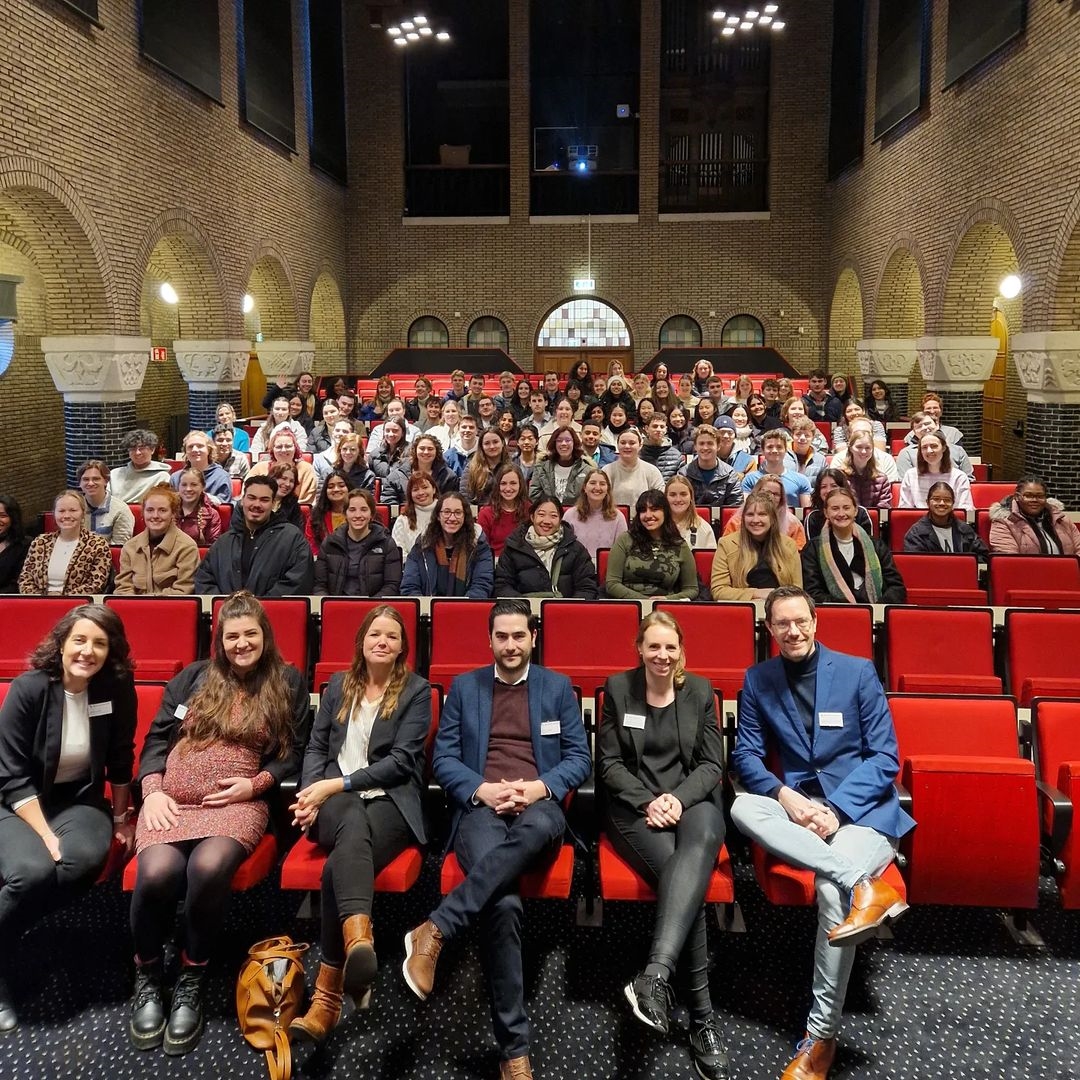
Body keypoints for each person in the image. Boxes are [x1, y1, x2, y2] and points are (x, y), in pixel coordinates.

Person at [402, 599, 591, 1080]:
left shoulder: (557, 687)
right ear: (490, 641)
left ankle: (438, 926)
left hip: (538, 807)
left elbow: (578, 759)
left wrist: (535, 788)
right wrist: (482, 789)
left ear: (532, 638)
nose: (510, 645)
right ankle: (514, 1050)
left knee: (542, 824)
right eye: (501, 637)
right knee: (503, 904)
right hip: (481, 806)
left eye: (519, 636)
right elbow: (443, 759)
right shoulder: (466, 688)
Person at [731, 586, 914, 1080]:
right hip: (798, 813)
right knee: (745, 806)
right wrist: (785, 797)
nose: (792, 632)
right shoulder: (758, 679)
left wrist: (834, 808)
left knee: (831, 895)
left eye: (800, 622)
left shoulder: (856, 672)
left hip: (862, 814)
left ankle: (821, 1036)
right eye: (781, 624)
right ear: (769, 630)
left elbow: (885, 757)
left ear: (816, 623)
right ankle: (863, 883)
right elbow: (745, 754)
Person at [127, 592, 307, 1054]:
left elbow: (295, 753)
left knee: (207, 869)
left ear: (264, 636)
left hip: (237, 803)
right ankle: (147, 973)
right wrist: (152, 792)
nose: (242, 643)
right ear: (219, 640)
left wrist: (256, 784)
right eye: (232, 636)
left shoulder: (286, 682)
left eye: (250, 634)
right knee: (157, 873)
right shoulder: (192, 678)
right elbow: (155, 741)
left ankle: (191, 972)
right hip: (170, 802)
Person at [288, 607, 432, 1041]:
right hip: (335, 802)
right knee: (349, 815)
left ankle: (327, 996)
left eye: (391, 635)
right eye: (375, 634)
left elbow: (401, 763)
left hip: (391, 802)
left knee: (338, 867)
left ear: (403, 646)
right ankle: (357, 942)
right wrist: (312, 792)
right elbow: (315, 746)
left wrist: (339, 783)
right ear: (362, 642)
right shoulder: (338, 685)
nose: (382, 641)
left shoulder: (417, 691)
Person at [599, 611, 730, 1079]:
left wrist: (677, 798)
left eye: (670, 647)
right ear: (639, 648)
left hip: (694, 804)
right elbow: (610, 765)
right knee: (685, 883)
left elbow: (712, 764)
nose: (662, 655)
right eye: (653, 647)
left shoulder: (699, 690)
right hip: (636, 810)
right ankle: (702, 1019)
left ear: (681, 650)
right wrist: (649, 801)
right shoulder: (618, 689)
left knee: (689, 861)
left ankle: (654, 975)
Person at [0, 604, 137, 1033]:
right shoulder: (29, 688)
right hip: (15, 801)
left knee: (80, 861)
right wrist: (45, 835)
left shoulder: (115, 688)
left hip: (78, 802)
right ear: (61, 643)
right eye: (79, 639)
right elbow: (11, 773)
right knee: (31, 872)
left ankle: (10, 934)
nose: (88, 651)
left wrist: (120, 819)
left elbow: (119, 759)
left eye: (100, 643)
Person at [194, 475, 314, 596]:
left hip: (271, 613)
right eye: (251, 498)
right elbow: (205, 579)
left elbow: (298, 582)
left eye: (264, 500)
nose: (257, 504)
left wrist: (257, 608)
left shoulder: (292, 539)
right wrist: (227, 607)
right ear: (242, 501)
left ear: (273, 504)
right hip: (226, 613)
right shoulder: (224, 542)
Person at [801, 488, 906, 605]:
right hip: (834, 615)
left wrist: (875, 609)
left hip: (875, 612)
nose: (841, 514)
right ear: (826, 513)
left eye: (846, 508)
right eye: (835, 509)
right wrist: (848, 609)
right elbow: (812, 592)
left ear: (855, 510)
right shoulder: (813, 549)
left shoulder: (876, 545)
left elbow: (896, 587)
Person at [493, 497, 598, 599]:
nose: (547, 521)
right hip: (522, 612)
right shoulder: (514, 547)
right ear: (532, 517)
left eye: (553, 516)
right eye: (541, 515)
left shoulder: (576, 549)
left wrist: (568, 609)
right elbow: (502, 586)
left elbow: (587, 588)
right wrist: (523, 607)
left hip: (565, 612)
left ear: (560, 519)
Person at [606, 490, 699, 601]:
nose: (648, 515)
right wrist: (645, 602)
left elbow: (691, 589)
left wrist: (667, 600)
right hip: (630, 606)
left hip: (665, 608)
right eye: (643, 510)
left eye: (654, 509)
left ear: (665, 512)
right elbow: (612, 584)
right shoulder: (625, 540)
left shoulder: (679, 545)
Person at [400, 493, 494, 599]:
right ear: (438, 516)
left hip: (466, 610)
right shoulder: (422, 545)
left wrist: (461, 608)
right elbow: (410, 586)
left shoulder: (478, 544)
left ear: (465, 516)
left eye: (458, 513)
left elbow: (482, 585)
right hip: (427, 612)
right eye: (447, 512)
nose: (452, 518)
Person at [711, 492, 802, 600]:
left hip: (780, 608)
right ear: (743, 518)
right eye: (750, 514)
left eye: (762, 514)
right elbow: (718, 590)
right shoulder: (726, 544)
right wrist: (756, 593)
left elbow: (797, 589)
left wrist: (776, 598)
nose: (755, 520)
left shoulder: (789, 545)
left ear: (772, 518)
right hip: (743, 609)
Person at [313, 488, 402, 597]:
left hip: (375, 608)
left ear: (371, 514)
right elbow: (320, 585)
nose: (358, 515)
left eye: (364, 510)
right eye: (352, 510)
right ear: (345, 514)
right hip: (336, 606)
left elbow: (391, 585)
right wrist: (329, 606)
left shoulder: (386, 544)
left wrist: (370, 606)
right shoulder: (330, 543)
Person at [19, 490, 112, 595]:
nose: (67, 515)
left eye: (73, 510)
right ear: (54, 514)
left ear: (83, 513)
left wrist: (63, 599)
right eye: (61, 511)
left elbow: (95, 584)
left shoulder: (97, 544)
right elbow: (25, 579)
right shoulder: (40, 542)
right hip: (38, 604)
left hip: (78, 606)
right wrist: (42, 601)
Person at [114, 487, 200, 595]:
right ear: (143, 513)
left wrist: (150, 604)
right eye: (150, 510)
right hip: (135, 609)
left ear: (173, 514)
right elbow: (123, 588)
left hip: (172, 609)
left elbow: (184, 590)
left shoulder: (187, 547)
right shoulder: (129, 547)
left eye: (162, 510)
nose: (155, 516)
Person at [988, 476, 1080, 555]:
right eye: (1028, 496)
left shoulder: (1061, 519)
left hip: (1068, 572)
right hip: (1027, 574)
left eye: (1040, 496)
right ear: (1017, 496)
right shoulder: (1003, 522)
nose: (1035, 500)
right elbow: (1010, 560)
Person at [723, 475, 808, 551]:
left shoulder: (794, 524)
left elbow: (798, 555)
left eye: (776, 494)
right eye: (766, 492)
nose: (770, 496)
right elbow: (727, 550)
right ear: (755, 493)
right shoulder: (736, 521)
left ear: (781, 499)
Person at [903, 481, 989, 556]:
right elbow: (914, 563)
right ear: (927, 503)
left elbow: (983, 556)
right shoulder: (916, 533)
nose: (942, 503)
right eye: (936, 499)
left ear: (953, 504)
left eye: (947, 500)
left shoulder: (965, 530)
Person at [563, 468, 628, 560]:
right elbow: (564, 549)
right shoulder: (570, 515)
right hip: (577, 569)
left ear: (607, 489)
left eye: (602, 484)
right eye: (593, 483)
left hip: (607, 569)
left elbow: (622, 552)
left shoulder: (618, 517)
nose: (597, 488)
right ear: (585, 488)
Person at [898, 432, 972, 509]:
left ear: (943, 448)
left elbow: (965, 509)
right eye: (924, 447)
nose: (929, 451)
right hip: (919, 520)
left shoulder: (959, 477)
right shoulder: (910, 475)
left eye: (934, 446)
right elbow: (904, 508)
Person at [740, 430, 813, 508]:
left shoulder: (801, 480)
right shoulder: (749, 479)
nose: (774, 450)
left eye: (779, 447)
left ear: (786, 450)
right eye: (770, 447)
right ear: (762, 451)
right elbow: (746, 511)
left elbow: (806, 514)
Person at [246, 428, 319, 504]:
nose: (283, 450)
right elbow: (247, 495)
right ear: (272, 449)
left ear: (295, 448)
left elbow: (307, 502)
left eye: (288, 446)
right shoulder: (259, 468)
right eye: (279, 447)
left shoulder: (306, 469)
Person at [680, 424, 745, 508]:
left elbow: (735, 508)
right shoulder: (684, 474)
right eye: (701, 443)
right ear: (695, 447)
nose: (705, 447)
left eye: (710, 443)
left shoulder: (730, 475)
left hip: (723, 521)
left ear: (718, 446)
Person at [383, 433, 459, 505]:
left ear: (437, 452)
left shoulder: (449, 477)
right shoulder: (395, 476)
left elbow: (452, 502)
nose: (426, 452)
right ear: (415, 451)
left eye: (430, 449)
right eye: (422, 448)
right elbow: (389, 502)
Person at [894, 413, 975, 478]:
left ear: (937, 425)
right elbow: (904, 481)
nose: (925, 428)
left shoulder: (958, 450)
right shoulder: (906, 453)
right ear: (914, 432)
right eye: (919, 426)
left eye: (927, 423)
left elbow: (969, 479)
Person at [803, 469, 874, 542]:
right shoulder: (813, 518)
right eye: (823, 487)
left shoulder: (861, 513)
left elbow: (870, 544)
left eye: (834, 486)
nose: (828, 490)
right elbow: (812, 549)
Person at [603, 429, 665, 512]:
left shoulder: (652, 471)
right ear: (617, 445)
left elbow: (660, 501)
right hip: (613, 520)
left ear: (640, 445)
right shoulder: (606, 471)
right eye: (623, 443)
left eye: (632, 443)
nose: (627, 446)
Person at [477, 464, 531, 558]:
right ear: (497, 485)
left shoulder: (529, 509)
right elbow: (482, 549)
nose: (508, 488)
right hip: (495, 563)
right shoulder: (486, 513)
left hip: (523, 562)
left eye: (513, 483)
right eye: (503, 483)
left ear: (520, 485)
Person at [529, 428, 591, 507]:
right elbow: (534, 495)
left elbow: (589, 498)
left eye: (568, 440)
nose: (563, 443)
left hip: (577, 515)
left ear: (574, 443)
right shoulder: (541, 468)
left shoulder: (587, 470)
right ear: (554, 444)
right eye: (559, 440)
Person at [78, 459, 135, 544]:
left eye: (96, 479)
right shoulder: (73, 508)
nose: (90, 483)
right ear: (80, 483)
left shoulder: (120, 510)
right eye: (86, 479)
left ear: (106, 481)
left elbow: (119, 548)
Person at [109, 430, 172, 503]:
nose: (137, 453)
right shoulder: (115, 474)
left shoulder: (162, 476)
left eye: (142, 448)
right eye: (133, 449)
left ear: (152, 449)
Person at [169, 431, 233, 504]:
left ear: (208, 450)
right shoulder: (175, 478)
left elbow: (224, 508)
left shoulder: (221, 477)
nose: (195, 450)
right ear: (185, 452)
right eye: (190, 447)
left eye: (200, 446)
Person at [390, 472, 439, 558]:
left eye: (425, 487)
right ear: (410, 495)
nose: (421, 493)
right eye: (415, 490)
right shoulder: (402, 520)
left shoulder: (445, 515)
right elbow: (398, 552)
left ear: (434, 489)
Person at [840, 431, 892, 508]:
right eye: (859, 447)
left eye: (868, 448)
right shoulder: (839, 476)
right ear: (850, 448)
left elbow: (884, 509)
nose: (864, 451)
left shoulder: (882, 479)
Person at [306, 468, 351, 555]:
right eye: (331, 487)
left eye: (341, 485)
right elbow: (312, 545)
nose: (336, 489)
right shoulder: (316, 516)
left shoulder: (358, 513)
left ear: (348, 488)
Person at [665, 475, 717, 551]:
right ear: (665, 497)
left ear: (691, 497)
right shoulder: (657, 527)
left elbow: (709, 560)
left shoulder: (704, 528)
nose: (678, 499)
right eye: (673, 495)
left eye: (683, 494)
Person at [175, 467, 223, 547]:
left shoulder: (211, 514)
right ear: (178, 487)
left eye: (194, 485)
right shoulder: (167, 509)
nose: (188, 489)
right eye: (184, 485)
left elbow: (213, 548)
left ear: (203, 487)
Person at [462, 428, 511, 506]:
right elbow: (465, 496)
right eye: (487, 443)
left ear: (502, 443)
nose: (492, 446)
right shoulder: (471, 467)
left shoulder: (512, 467)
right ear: (481, 446)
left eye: (495, 442)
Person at [640, 414, 684, 483]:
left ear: (666, 430)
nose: (658, 429)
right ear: (646, 429)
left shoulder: (677, 456)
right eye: (655, 426)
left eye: (662, 427)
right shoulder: (638, 453)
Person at [0, 494, 30, 592]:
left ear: (13, 519)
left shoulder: (25, 545)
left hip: (7, 601)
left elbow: (18, 583)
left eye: (3, 516)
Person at [267, 460, 305, 532]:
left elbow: (297, 533)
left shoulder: (293, 506)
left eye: (291, 481)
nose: (287, 484)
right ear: (272, 478)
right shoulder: (258, 500)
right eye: (283, 478)